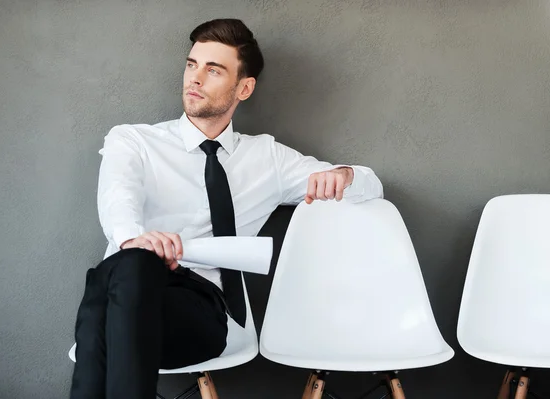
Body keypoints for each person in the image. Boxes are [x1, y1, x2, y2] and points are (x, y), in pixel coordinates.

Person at [69, 18, 383, 399]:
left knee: (101, 312)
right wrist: (137, 240)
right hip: (129, 287)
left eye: (213, 70)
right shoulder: (134, 141)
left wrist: (346, 175)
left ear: (244, 88)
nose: (194, 79)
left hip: (200, 310)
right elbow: (118, 199)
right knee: (130, 267)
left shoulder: (266, 157)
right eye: (191, 64)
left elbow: (371, 185)